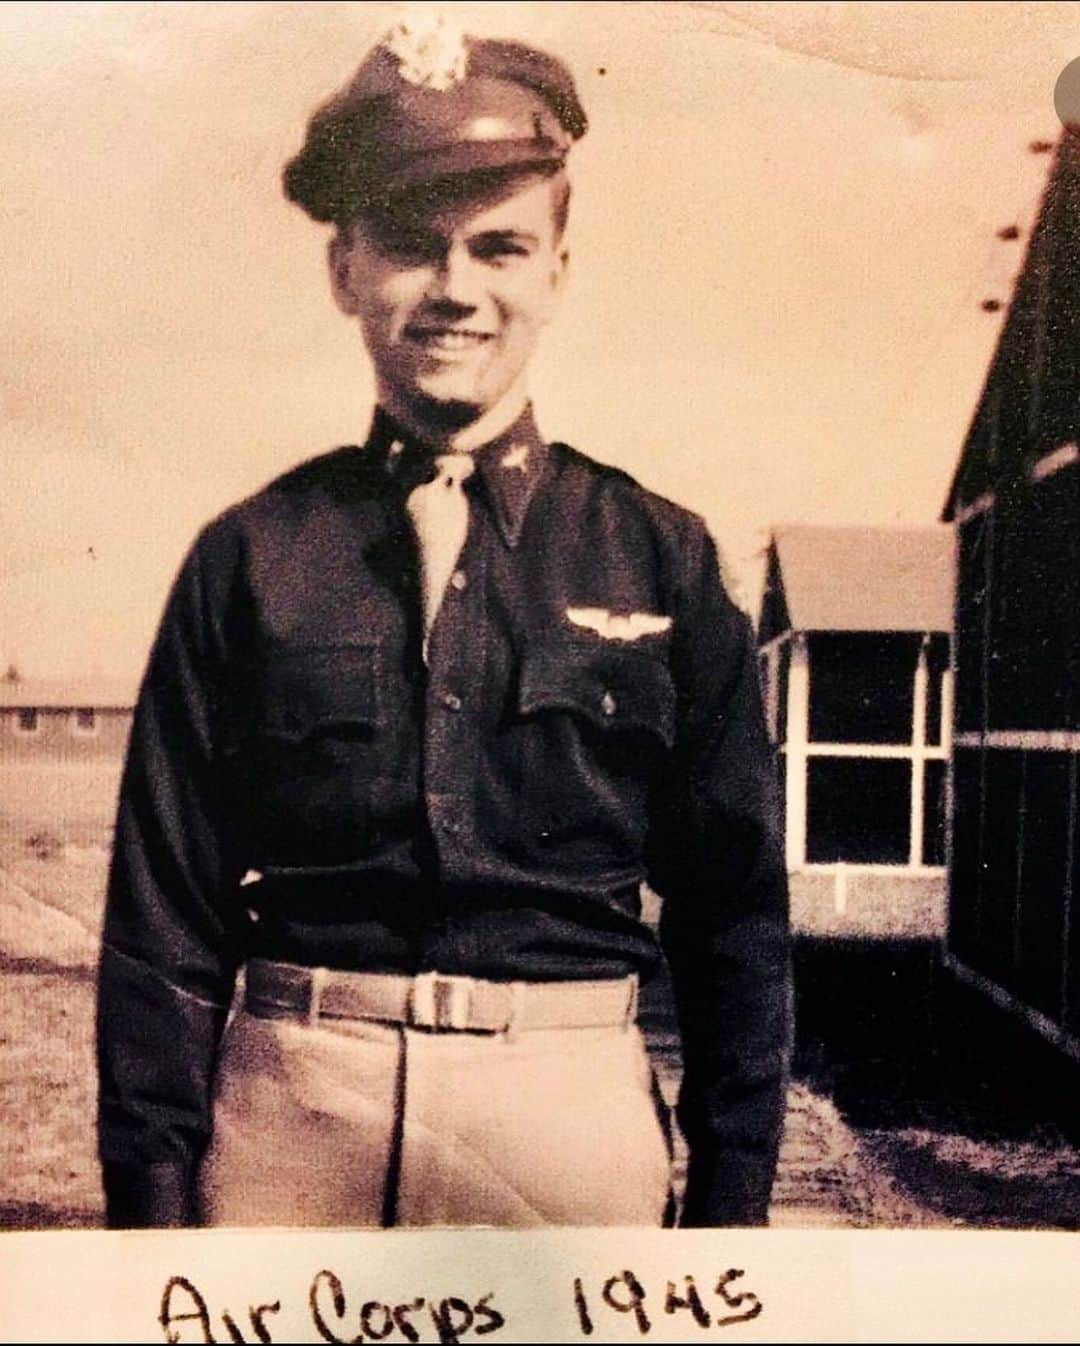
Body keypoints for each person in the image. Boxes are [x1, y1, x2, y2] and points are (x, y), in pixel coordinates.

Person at [96, 16, 792, 1230]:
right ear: (346, 270)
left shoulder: (662, 558)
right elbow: (162, 921)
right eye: (414, 246)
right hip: (291, 1128)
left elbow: (735, 916)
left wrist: (733, 1212)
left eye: (501, 246)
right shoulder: (251, 555)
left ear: (557, 273)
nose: (457, 288)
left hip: (565, 1132)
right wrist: (151, 1215)